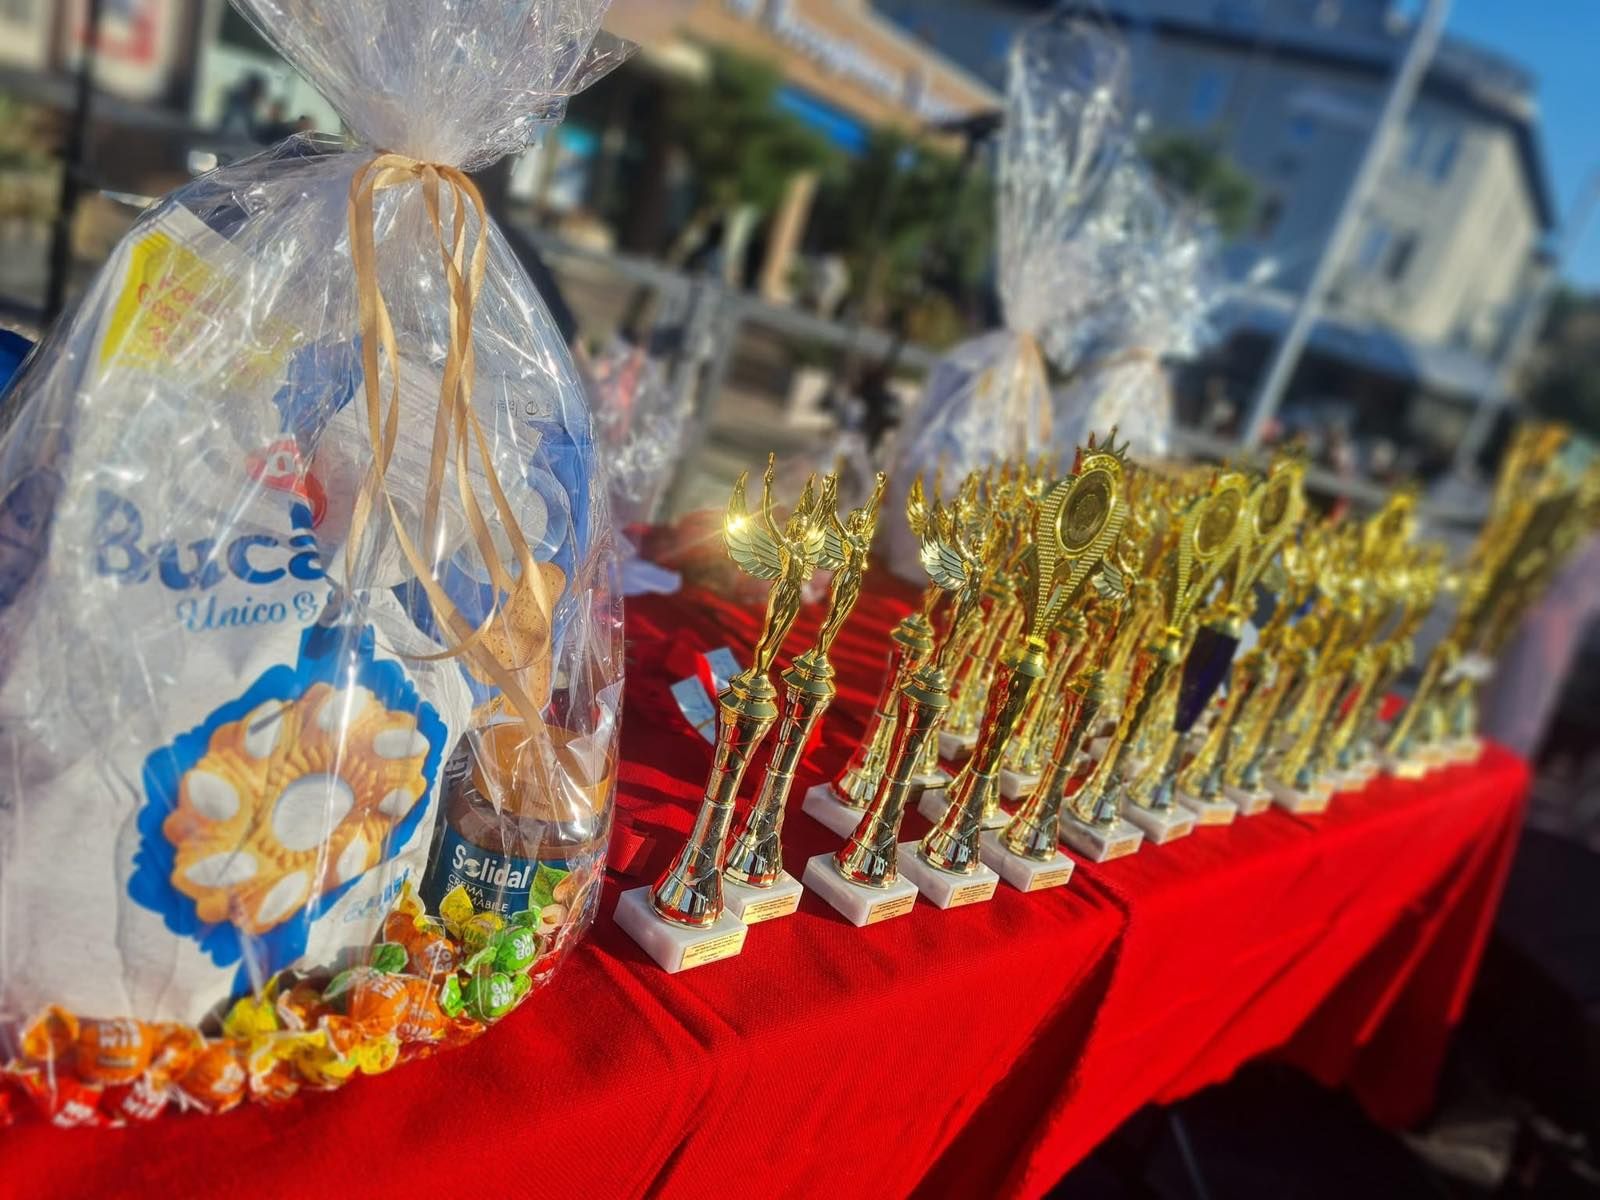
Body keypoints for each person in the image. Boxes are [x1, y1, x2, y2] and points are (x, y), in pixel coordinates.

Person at [218, 73, 267, 139]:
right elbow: (238, 133)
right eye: (259, 93)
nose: (260, 97)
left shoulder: (246, 109)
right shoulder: (240, 111)